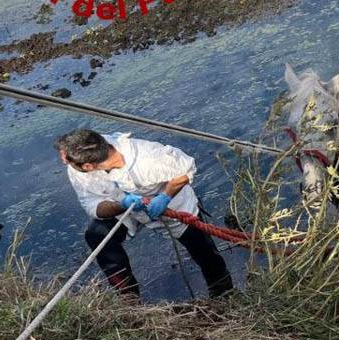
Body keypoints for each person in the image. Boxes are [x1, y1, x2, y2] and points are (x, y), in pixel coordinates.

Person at [55, 128, 233, 301]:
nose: (66, 164)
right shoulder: (82, 163)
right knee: (97, 236)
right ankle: (129, 299)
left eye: (69, 162)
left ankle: (224, 295)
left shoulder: (148, 158)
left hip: (172, 208)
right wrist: (122, 204)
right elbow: (92, 205)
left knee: (206, 256)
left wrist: (165, 196)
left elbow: (186, 169)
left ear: (88, 165)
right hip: (125, 209)